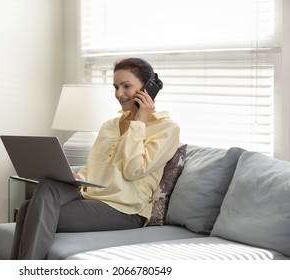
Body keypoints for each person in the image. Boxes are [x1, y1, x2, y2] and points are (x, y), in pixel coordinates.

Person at [10, 57, 180, 260]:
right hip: (91, 197)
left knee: (29, 211)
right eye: (116, 87)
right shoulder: (109, 125)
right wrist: (74, 176)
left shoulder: (167, 129)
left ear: (147, 88)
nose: (119, 94)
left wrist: (139, 121)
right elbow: (93, 168)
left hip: (125, 210)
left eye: (126, 86)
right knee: (43, 191)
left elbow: (133, 170)